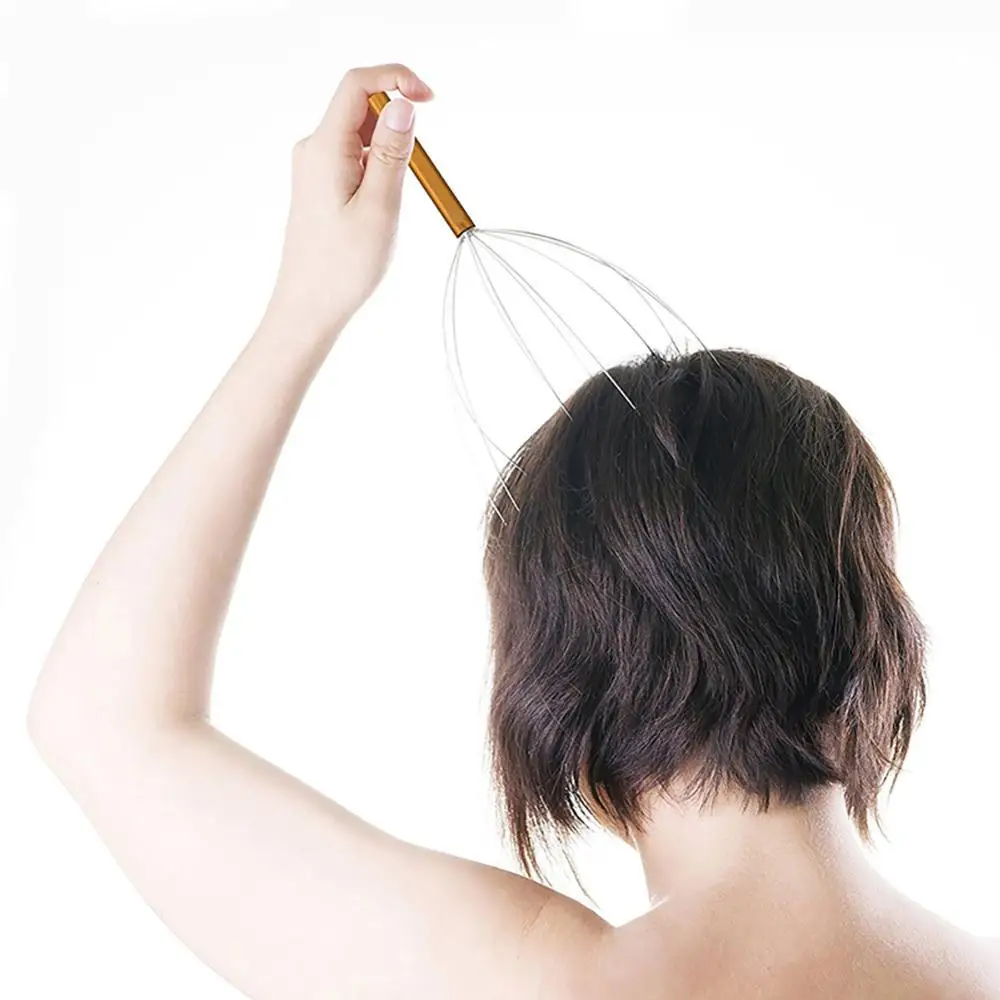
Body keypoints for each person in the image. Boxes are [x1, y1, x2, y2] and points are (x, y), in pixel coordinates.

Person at [25, 62, 999, 1000]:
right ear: (875, 627)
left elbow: (102, 719)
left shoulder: (533, 979)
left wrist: (304, 306)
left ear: (553, 675)